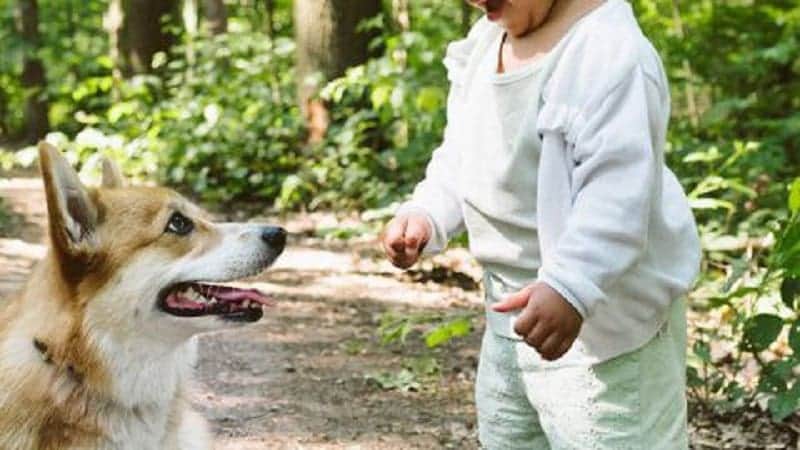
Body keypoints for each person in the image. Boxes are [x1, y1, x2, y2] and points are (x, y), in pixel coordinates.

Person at [380, 0, 702, 448]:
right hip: (510, 317)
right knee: (510, 436)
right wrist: (428, 211)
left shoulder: (609, 53)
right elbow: (462, 154)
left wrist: (571, 285)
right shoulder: (488, 42)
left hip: (605, 332)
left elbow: (617, 195)